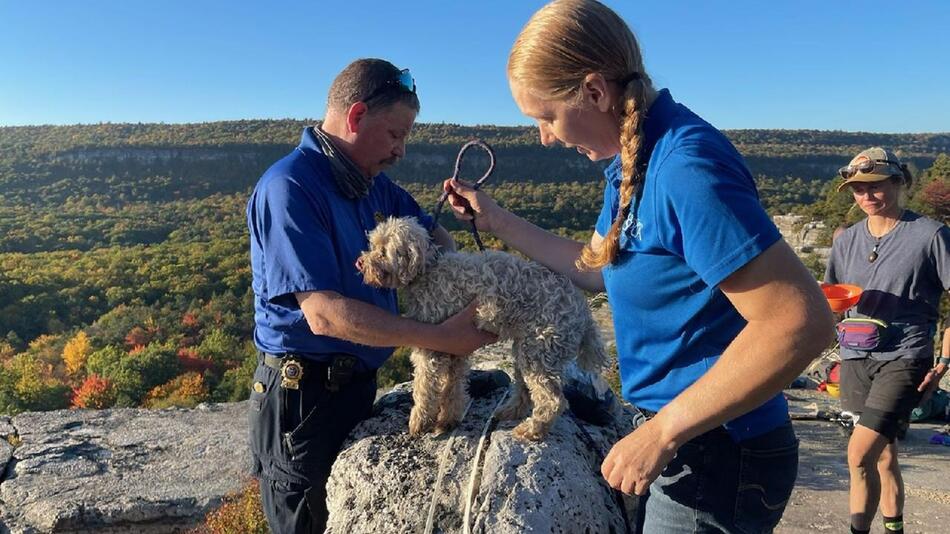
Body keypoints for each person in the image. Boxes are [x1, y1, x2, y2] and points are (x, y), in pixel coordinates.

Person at [442, 1, 834, 531]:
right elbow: (593, 268)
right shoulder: (632, 162)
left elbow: (800, 322)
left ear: (595, 91)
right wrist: (496, 220)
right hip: (692, 441)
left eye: (546, 116)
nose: (545, 138)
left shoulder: (684, 168)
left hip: (717, 451)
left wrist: (662, 433)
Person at [245, 58, 496, 533]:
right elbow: (323, 315)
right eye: (395, 134)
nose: (401, 150)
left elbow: (437, 237)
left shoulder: (374, 188)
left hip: (356, 386)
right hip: (303, 402)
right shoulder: (290, 188)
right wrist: (440, 336)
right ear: (356, 116)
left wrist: (448, 271)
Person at [824, 147, 950, 534]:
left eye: (876, 186)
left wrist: (943, 364)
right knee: (882, 457)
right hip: (856, 356)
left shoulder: (930, 234)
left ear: (899, 182)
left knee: (858, 454)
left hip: (905, 356)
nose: (866, 196)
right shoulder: (845, 241)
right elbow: (833, 296)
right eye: (858, 189)